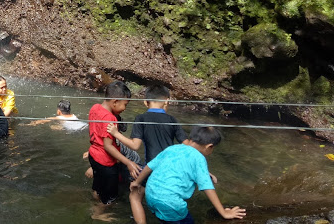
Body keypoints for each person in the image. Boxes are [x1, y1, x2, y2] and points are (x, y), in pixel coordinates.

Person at [107, 85, 188, 224]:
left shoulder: (141, 118)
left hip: (151, 168)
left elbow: (135, 145)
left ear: (146, 102)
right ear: (167, 101)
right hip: (170, 169)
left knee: (135, 196)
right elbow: (187, 146)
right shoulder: (173, 120)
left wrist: (116, 134)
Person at [131, 127, 246, 224]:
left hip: (151, 195)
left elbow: (149, 167)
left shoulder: (173, 148)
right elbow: (208, 188)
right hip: (170, 202)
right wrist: (224, 212)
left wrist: (136, 182)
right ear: (209, 146)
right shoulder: (199, 158)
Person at [88, 81, 141, 220]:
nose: (124, 108)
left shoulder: (95, 108)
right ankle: (98, 214)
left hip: (93, 156)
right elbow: (108, 146)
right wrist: (128, 162)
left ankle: (95, 203)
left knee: (97, 187)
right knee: (111, 197)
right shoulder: (110, 118)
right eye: (125, 104)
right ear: (115, 102)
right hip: (105, 162)